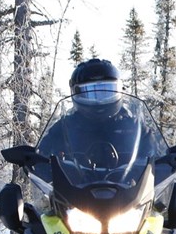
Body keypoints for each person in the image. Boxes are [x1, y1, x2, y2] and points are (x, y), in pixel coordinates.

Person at [34, 59, 163, 182]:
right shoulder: (63, 128)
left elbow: (156, 157)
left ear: (119, 90)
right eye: (88, 92)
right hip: (74, 196)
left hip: (128, 196)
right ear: (75, 93)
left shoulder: (134, 128)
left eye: (107, 92)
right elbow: (42, 155)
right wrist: (33, 160)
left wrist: (168, 161)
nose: (99, 100)